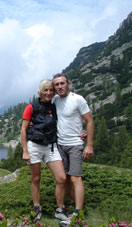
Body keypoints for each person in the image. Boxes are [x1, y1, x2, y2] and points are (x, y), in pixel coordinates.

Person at [20, 79, 69, 221]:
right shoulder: (31, 107)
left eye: (51, 90)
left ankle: (60, 209)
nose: (49, 93)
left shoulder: (54, 107)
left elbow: (65, 121)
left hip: (50, 146)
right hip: (34, 146)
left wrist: (79, 132)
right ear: (40, 91)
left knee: (61, 178)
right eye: (46, 90)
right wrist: (25, 150)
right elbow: (23, 129)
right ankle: (36, 208)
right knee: (36, 179)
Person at [52, 73, 94, 225]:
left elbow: (89, 121)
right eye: (56, 85)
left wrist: (89, 144)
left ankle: (78, 213)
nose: (60, 87)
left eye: (62, 83)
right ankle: (70, 206)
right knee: (66, 178)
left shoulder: (78, 99)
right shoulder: (55, 100)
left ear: (68, 83)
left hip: (75, 144)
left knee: (76, 177)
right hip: (60, 145)